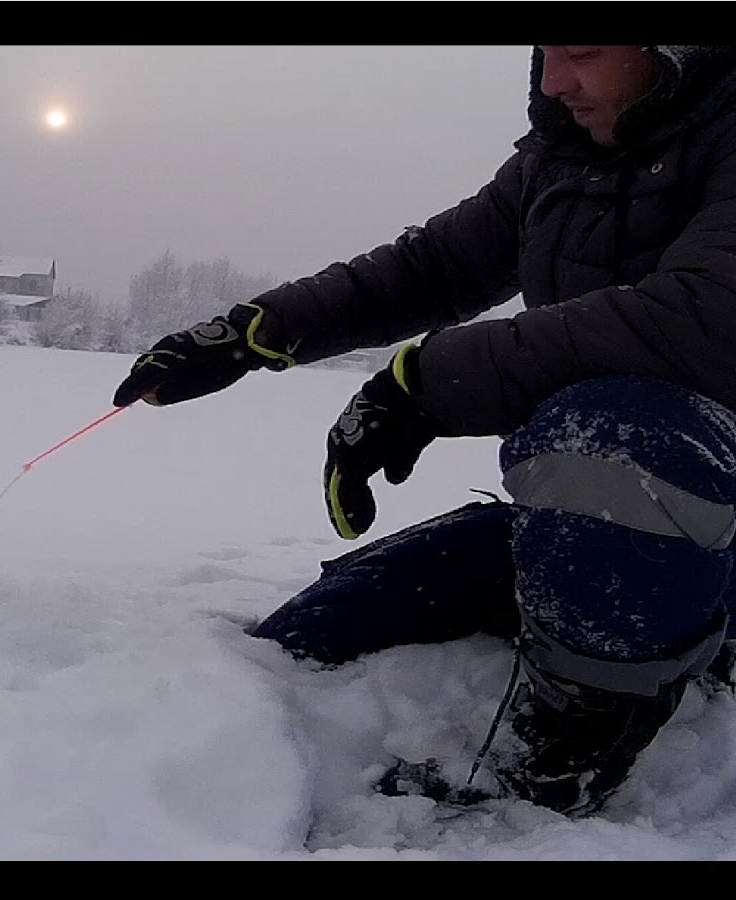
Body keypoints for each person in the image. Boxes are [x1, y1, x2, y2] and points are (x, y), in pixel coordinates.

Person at [111, 46, 736, 817]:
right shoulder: (563, 156)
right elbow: (432, 267)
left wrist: (424, 386)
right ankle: (603, 632)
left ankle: (569, 751)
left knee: (610, 429)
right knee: (307, 639)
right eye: (546, 52)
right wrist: (252, 333)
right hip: (617, 525)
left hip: (686, 501)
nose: (554, 81)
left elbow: (703, 322)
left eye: (584, 51)